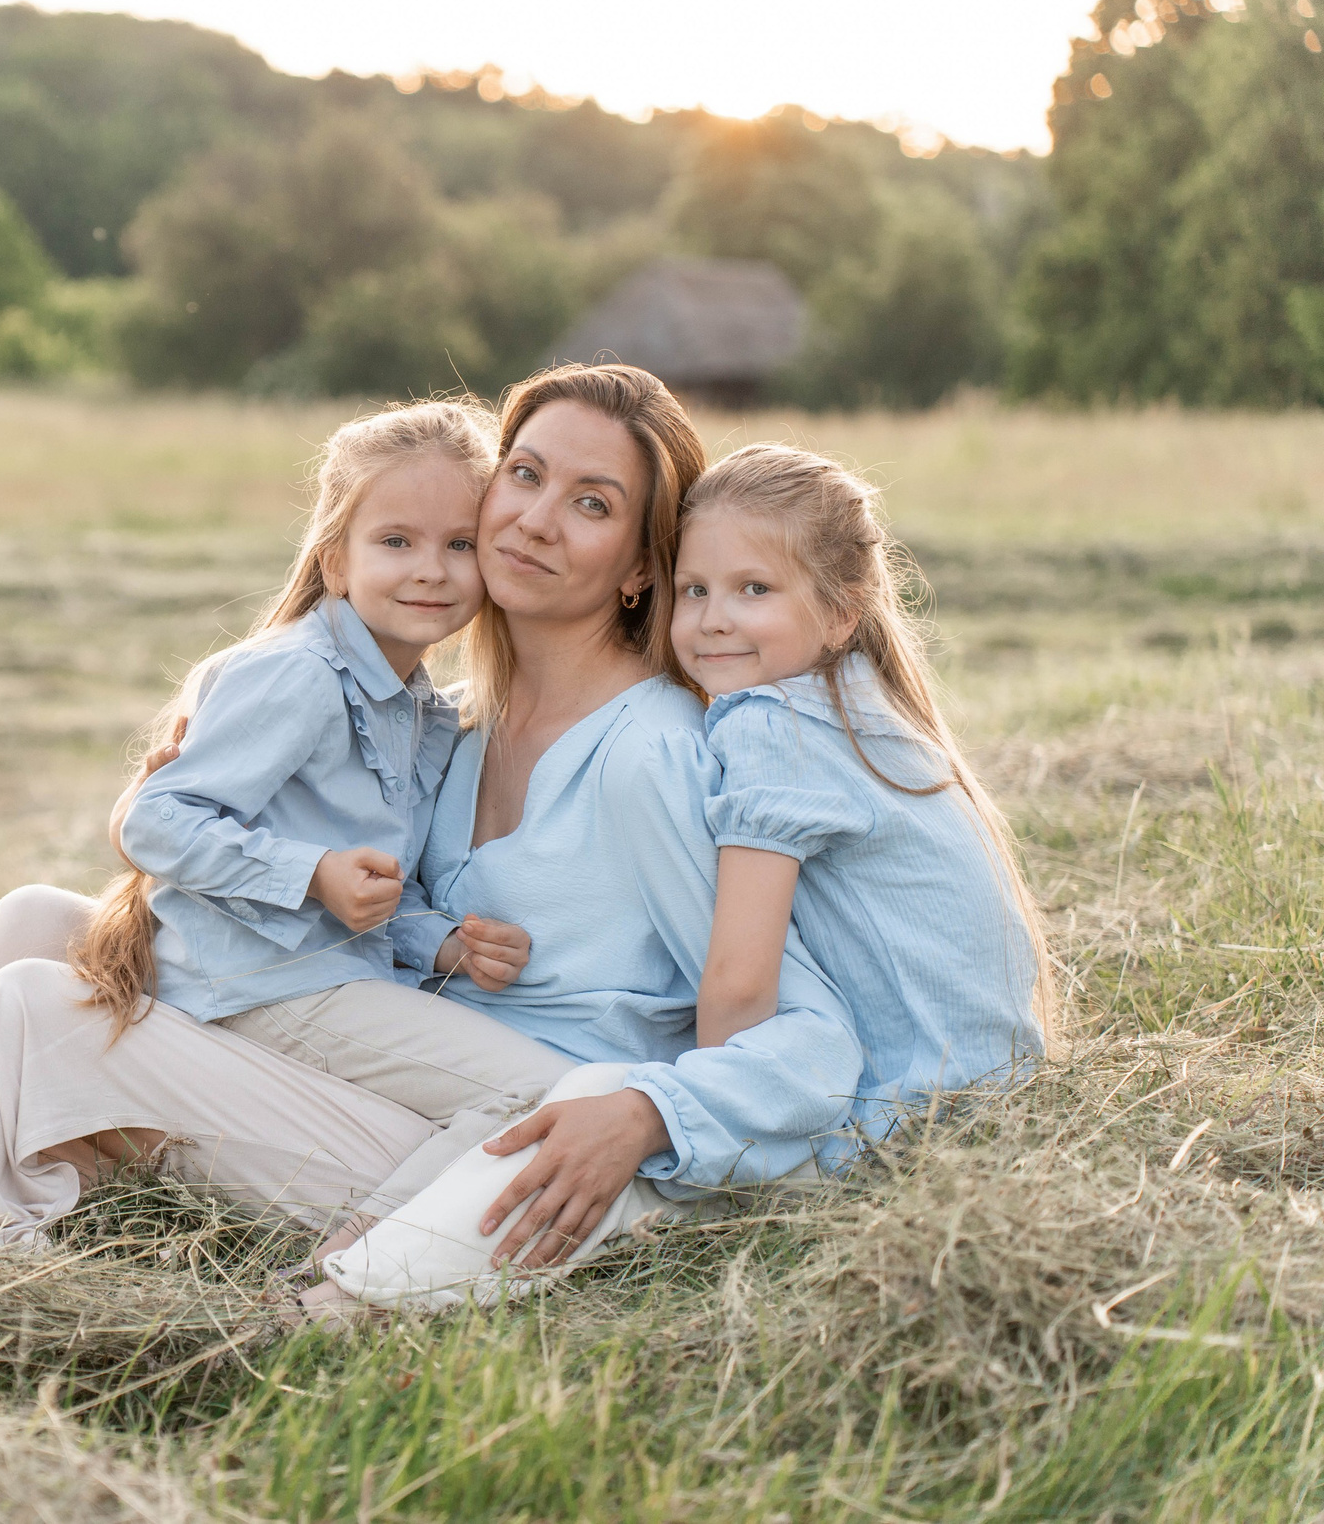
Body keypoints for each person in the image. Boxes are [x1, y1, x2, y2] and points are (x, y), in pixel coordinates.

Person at [0, 365, 868, 1268]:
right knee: (32, 921)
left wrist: (647, 1119)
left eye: (591, 503)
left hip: (492, 1142)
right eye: (525, 475)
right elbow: (335, 865)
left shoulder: (648, 750)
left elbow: (776, 1011)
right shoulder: (451, 725)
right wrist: (194, 781)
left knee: (38, 1012)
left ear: (639, 566)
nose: (534, 519)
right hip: (362, 1042)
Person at [315, 441, 1052, 1311]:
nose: (713, 621)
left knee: (598, 1108)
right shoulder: (853, 708)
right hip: (979, 1106)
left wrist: (696, 1108)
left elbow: (737, 984)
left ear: (842, 612)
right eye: (696, 590)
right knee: (603, 1104)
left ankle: (354, 1297)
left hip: (893, 1127)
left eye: (754, 590)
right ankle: (366, 1272)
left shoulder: (772, 723)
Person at [89, 398, 547, 1132]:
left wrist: (444, 944)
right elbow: (156, 821)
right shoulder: (302, 673)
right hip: (259, 984)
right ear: (336, 561)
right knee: (545, 1094)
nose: (431, 570)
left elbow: (376, 883)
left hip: (326, 976)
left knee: (536, 1089)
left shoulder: (419, 708)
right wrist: (313, 874)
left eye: (460, 544)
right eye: (395, 541)